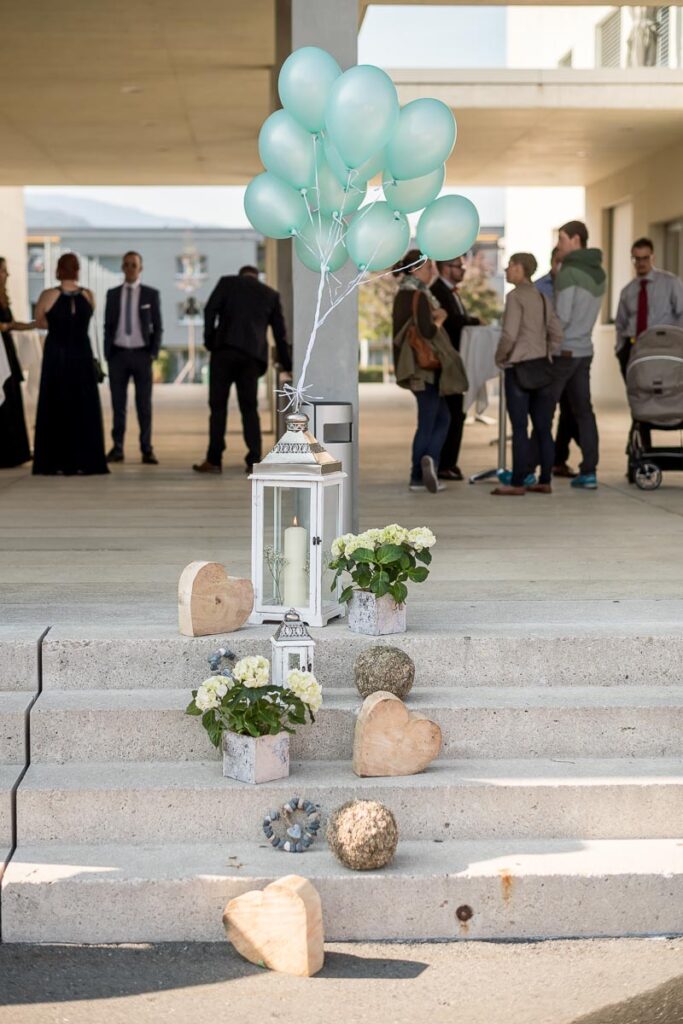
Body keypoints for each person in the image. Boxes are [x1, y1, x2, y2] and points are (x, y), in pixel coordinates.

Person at [193, 265, 291, 475]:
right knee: (249, 408)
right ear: (257, 277)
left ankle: (214, 460)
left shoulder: (227, 283)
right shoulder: (269, 294)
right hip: (251, 358)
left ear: (241, 275)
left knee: (218, 408)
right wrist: (288, 365)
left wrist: (210, 340)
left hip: (223, 353)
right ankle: (253, 459)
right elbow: (280, 334)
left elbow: (209, 310)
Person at [393, 250, 466, 493]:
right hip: (423, 367)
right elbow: (427, 332)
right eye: (427, 268)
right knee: (430, 420)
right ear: (415, 269)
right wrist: (440, 318)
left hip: (412, 366)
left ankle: (428, 463)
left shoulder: (402, 293)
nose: (431, 271)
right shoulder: (419, 295)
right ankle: (418, 473)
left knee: (441, 416)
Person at [492, 253, 563, 496]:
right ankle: (545, 480)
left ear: (521, 269)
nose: (507, 269)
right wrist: (546, 352)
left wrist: (500, 357)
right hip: (542, 367)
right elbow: (557, 333)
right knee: (543, 428)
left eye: (510, 265)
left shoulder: (514, 297)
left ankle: (517, 483)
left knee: (520, 428)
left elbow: (509, 334)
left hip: (519, 368)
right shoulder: (542, 297)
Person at [32, 253, 108, 476]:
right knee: (83, 405)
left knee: (55, 403)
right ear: (77, 270)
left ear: (58, 269)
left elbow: (40, 322)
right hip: (81, 353)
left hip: (57, 353)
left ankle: (55, 460)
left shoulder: (48, 295)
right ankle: (85, 459)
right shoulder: (88, 295)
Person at [553, 220, 606, 490]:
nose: (558, 245)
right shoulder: (599, 272)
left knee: (544, 410)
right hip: (585, 349)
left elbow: (562, 317)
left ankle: (530, 471)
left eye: (561, 239)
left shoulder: (569, 272)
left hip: (564, 352)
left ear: (575, 240)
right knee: (584, 412)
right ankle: (589, 471)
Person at [104, 251, 163, 465]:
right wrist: (108, 354)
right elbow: (108, 325)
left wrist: (152, 353)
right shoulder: (112, 294)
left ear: (140, 268)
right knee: (118, 405)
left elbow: (158, 326)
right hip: (118, 355)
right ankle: (117, 448)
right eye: (126, 265)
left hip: (141, 355)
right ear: (122, 267)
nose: (130, 269)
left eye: (134, 265)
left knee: (144, 405)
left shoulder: (150, 294)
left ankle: (146, 449)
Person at [430, 256, 480, 480]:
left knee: (455, 413)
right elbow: (452, 322)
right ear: (445, 268)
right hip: (446, 362)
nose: (463, 270)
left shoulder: (451, 291)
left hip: (455, 360)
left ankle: (450, 462)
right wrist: (475, 321)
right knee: (451, 414)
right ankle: (444, 464)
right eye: (458, 266)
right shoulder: (438, 291)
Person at [535, 246, 579, 478]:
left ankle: (558, 460)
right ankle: (536, 463)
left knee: (569, 410)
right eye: (558, 262)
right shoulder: (539, 288)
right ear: (552, 262)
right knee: (544, 411)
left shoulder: (577, 287)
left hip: (569, 356)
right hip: (546, 357)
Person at [615, 237, 683, 379]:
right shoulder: (627, 291)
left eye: (645, 258)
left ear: (653, 257)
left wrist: (675, 342)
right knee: (636, 389)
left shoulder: (670, 282)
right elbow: (620, 323)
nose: (641, 263)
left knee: (663, 388)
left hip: (663, 346)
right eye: (636, 259)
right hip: (633, 347)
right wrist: (620, 349)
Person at [0, 258, 33, 467]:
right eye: (3, 270)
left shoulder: (3, 297)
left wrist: (33, 324)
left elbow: (10, 325)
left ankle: (16, 451)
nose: (7, 274)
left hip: (7, 351)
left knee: (12, 400)